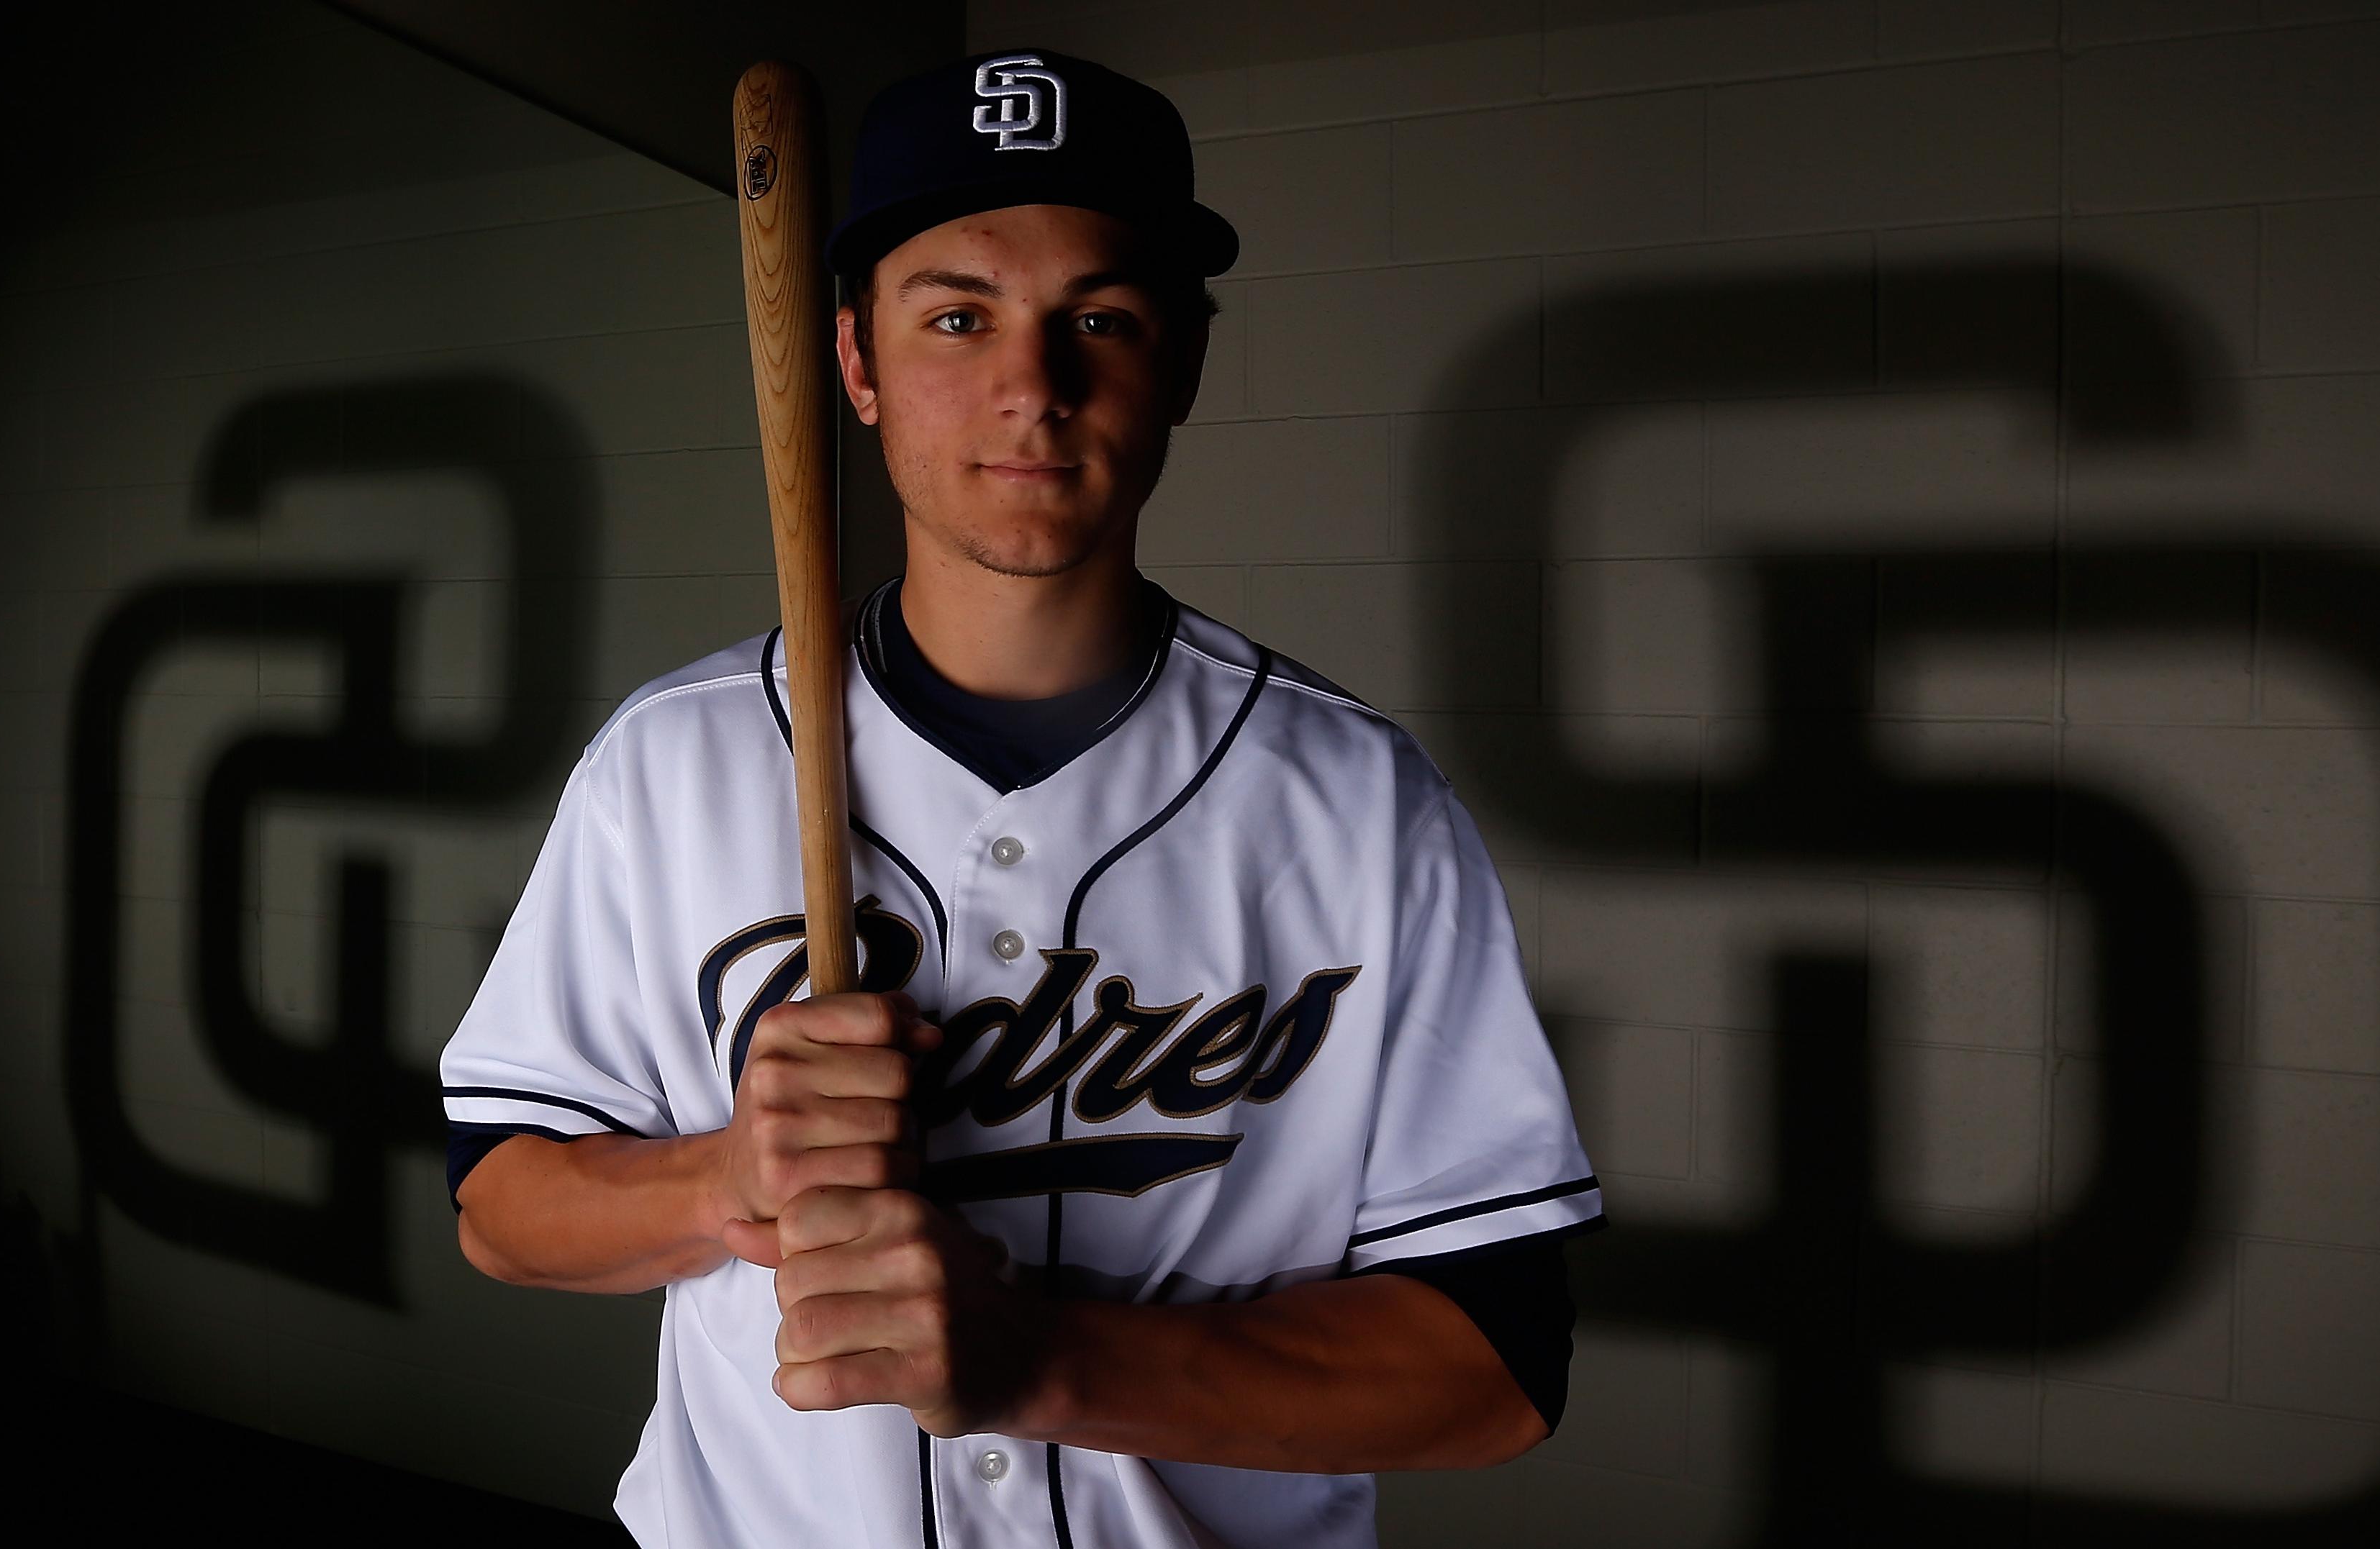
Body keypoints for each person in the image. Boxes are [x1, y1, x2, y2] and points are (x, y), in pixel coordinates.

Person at [440, 47, 1603, 1548]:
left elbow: (1493, 1370)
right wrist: (721, 1175)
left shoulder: (1354, 803)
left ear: (1181, 359)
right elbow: (500, 1206)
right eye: (957, 317)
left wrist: (1049, 1362)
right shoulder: (677, 761)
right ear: (854, 362)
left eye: (1098, 320)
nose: (1030, 391)